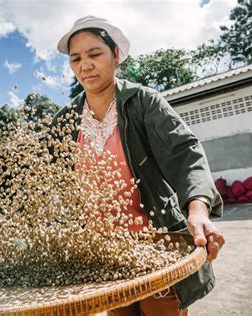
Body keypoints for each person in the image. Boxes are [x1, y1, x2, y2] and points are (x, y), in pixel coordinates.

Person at [54, 16, 225, 315]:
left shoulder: (142, 102)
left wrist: (198, 209)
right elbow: (50, 179)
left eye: (95, 54)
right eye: (76, 58)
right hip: (104, 254)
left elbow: (184, 153)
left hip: (156, 245)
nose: (85, 65)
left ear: (115, 55)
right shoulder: (65, 120)